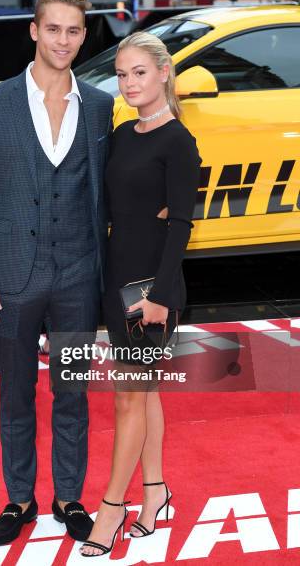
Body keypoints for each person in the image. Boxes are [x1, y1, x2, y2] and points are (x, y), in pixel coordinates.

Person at [0, 0, 114, 546]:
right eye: (54, 28)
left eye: (74, 30)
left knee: (72, 392)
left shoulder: (99, 104)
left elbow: (106, 192)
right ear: (33, 30)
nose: (64, 40)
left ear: (83, 34)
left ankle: (68, 497)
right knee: (14, 394)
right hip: (12, 277)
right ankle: (19, 499)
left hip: (77, 274)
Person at [80, 32, 201, 556]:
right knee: (143, 393)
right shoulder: (124, 135)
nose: (130, 83)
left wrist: (160, 295)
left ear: (164, 74)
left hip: (151, 291)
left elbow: (180, 225)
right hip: (117, 279)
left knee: (128, 398)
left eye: (140, 73)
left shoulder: (179, 141)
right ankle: (154, 494)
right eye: (123, 74)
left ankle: (111, 509)